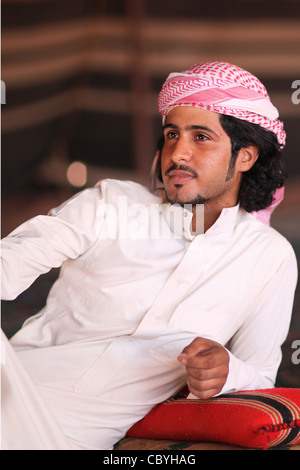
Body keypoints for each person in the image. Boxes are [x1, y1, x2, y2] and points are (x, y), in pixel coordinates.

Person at [1, 61, 297, 450]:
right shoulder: (110, 205)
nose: (178, 153)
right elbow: (13, 260)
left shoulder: (268, 257)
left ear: (245, 157)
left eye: (201, 137)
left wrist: (226, 373)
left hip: (72, 437)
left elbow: (260, 374)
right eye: (172, 134)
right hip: (15, 388)